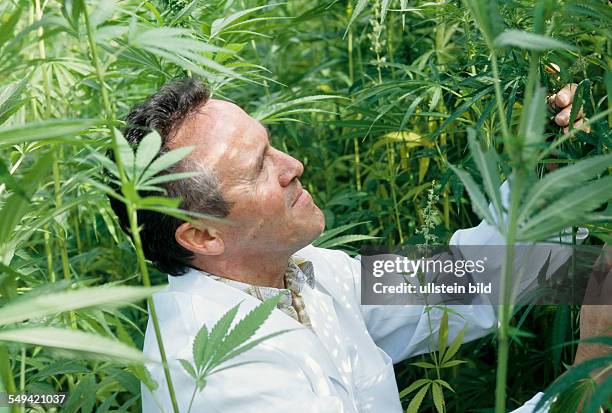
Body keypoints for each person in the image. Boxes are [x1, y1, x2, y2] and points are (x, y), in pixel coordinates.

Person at [110, 78, 603, 413]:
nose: (293, 165)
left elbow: (467, 280)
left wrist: (549, 172)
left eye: (272, 144)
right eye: (260, 166)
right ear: (202, 235)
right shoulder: (219, 376)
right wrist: (583, 382)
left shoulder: (310, 273)